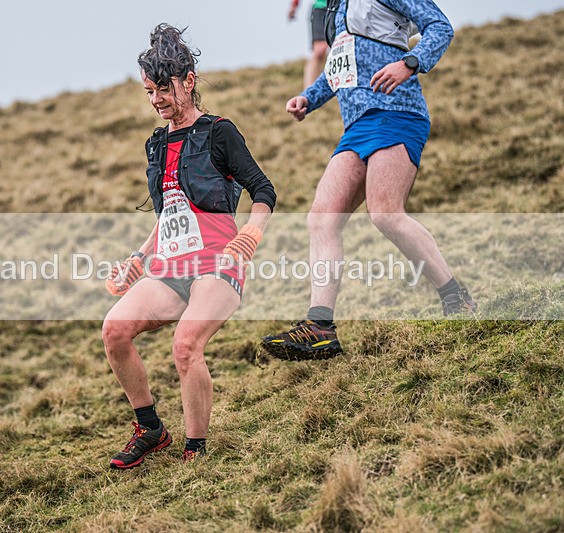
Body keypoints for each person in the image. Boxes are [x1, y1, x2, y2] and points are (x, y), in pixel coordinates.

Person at [102, 24, 276, 468]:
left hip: (218, 266)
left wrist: (250, 234)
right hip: (170, 266)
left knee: (185, 347)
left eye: (164, 87)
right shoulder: (156, 144)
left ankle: (195, 450)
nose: (157, 99)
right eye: (149, 91)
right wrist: (138, 259)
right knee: (114, 330)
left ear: (189, 81)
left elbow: (263, 191)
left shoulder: (220, 132)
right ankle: (151, 429)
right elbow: (170, 215)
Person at [262, 0, 475, 361]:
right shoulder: (336, 8)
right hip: (357, 126)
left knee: (385, 214)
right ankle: (320, 328)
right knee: (321, 218)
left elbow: (440, 27)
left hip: (398, 113)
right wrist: (308, 99)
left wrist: (409, 63)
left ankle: (457, 298)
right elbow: (339, 68)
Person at [288, 0, 330, 87]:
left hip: (342, 10)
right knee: (319, 50)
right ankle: (308, 92)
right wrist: (294, 5)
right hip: (322, 8)